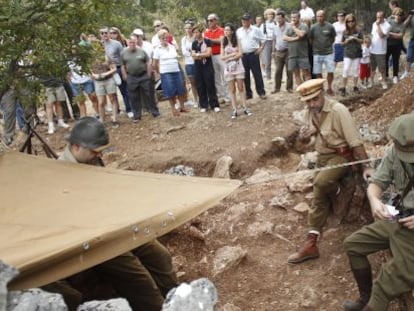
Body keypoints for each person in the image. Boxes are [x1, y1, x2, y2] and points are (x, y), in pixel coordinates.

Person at [49, 116, 178, 310]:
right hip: (93, 239)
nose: (99, 155)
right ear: (76, 147)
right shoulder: (59, 176)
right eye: (95, 151)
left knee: (160, 256)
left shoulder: (91, 161)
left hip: (115, 224)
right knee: (137, 277)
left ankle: (176, 300)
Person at [287, 78, 373, 264]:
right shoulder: (310, 111)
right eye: (308, 101)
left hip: (342, 157)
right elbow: (305, 144)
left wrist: (366, 165)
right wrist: (303, 138)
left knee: (320, 183)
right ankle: (312, 241)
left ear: (323, 93)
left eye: (315, 99)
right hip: (323, 157)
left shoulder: (338, 110)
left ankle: (312, 240)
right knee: (319, 192)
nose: (311, 104)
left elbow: (354, 141)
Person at [343, 113, 414, 311]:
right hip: (398, 217)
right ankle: (365, 299)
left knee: (385, 284)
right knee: (353, 245)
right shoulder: (396, 151)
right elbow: (377, 182)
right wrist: (374, 201)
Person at [121, 36, 160, 122]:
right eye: (130, 42)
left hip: (143, 75)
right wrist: (125, 75)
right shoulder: (124, 52)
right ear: (127, 43)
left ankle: (155, 112)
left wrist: (149, 73)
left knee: (149, 94)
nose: (132, 44)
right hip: (131, 76)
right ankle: (137, 116)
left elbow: (148, 61)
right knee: (133, 97)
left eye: (133, 42)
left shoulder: (141, 51)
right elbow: (122, 65)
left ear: (136, 42)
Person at [153, 29, 189, 116]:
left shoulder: (172, 47)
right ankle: (173, 109)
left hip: (176, 71)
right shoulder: (157, 49)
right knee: (170, 91)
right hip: (166, 73)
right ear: (160, 39)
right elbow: (155, 63)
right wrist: (159, 72)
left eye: (166, 37)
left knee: (180, 89)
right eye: (163, 38)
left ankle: (182, 107)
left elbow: (176, 59)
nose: (165, 39)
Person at [221, 23, 252, 119]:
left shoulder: (237, 40)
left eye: (228, 30)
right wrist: (232, 55)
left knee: (241, 87)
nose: (226, 32)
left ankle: (245, 107)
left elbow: (241, 53)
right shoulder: (223, 41)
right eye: (225, 30)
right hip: (228, 68)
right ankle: (234, 109)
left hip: (238, 67)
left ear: (232, 31)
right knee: (232, 89)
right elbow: (222, 56)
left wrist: (231, 57)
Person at [100, 27, 132, 116]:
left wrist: (124, 70)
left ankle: (129, 110)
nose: (104, 35)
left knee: (124, 90)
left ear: (109, 34)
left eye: (106, 32)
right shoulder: (99, 45)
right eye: (102, 33)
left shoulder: (116, 44)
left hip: (118, 68)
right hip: (106, 71)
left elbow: (123, 58)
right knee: (112, 93)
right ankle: (116, 110)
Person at [236, 13, 267, 100]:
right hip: (243, 56)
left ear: (250, 20)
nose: (244, 22)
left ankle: (261, 92)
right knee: (245, 75)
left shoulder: (255, 29)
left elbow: (264, 39)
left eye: (246, 20)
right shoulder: (239, 31)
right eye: (243, 20)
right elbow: (236, 43)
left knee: (257, 74)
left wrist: (261, 48)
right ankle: (248, 93)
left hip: (253, 54)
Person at [191, 24, 220, 113]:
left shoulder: (207, 41)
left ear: (201, 32)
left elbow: (208, 54)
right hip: (198, 67)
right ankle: (203, 105)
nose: (195, 34)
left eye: (197, 32)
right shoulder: (194, 43)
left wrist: (198, 54)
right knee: (200, 85)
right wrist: (199, 55)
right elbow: (193, 56)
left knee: (210, 85)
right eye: (194, 32)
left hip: (207, 66)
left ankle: (214, 104)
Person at [309, 10, 336, 95]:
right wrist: (316, 46)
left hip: (329, 52)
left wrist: (327, 45)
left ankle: (329, 87)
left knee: (330, 71)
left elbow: (333, 38)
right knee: (318, 72)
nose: (319, 18)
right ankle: (321, 88)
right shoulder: (313, 27)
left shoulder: (330, 26)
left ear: (325, 16)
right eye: (318, 16)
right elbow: (310, 39)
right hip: (317, 53)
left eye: (321, 16)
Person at [90, 47, 119, 127]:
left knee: (112, 99)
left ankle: (114, 119)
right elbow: (89, 70)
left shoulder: (107, 56)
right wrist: (94, 75)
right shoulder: (90, 58)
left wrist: (106, 74)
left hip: (109, 80)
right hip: (98, 82)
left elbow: (114, 69)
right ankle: (102, 120)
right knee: (101, 102)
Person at [204, 13, 229, 103]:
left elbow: (221, 41)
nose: (209, 22)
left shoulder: (221, 30)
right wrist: (214, 41)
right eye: (208, 20)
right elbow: (206, 43)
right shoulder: (206, 32)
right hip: (211, 56)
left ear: (215, 20)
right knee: (216, 78)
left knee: (225, 75)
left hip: (221, 55)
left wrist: (210, 41)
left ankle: (228, 96)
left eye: (211, 20)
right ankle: (221, 96)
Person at [283, 11, 311, 87]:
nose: (293, 19)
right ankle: (302, 91)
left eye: (295, 17)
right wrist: (295, 39)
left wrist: (294, 27)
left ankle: (310, 89)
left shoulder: (304, 26)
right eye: (292, 17)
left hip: (302, 54)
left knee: (306, 73)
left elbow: (301, 34)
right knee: (296, 74)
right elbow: (284, 37)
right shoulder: (288, 27)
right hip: (292, 55)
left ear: (299, 17)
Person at [339, 14, 363, 96]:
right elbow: (341, 43)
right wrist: (346, 41)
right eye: (349, 21)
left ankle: (355, 87)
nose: (351, 23)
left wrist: (356, 38)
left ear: (354, 21)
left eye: (352, 21)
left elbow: (362, 41)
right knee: (346, 69)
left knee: (356, 70)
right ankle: (343, 88)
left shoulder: (358, 30)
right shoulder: (344, 32)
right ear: (346, 22)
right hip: (347, 53)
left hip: (357, 53)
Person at [272, 10, 293, 93]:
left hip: (288, 51)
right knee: (278, 71)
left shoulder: (290, 26)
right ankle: (277, 88)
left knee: (289, 70)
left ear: (284, 18)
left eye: (280, 18)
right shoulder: (275, 28)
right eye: (277, 19)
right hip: (278, 51)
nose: (278, 20)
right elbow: (274, 40)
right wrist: (273, 51)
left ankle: (289, 87)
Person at [370, 11, 391, 89]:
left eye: (380, 17)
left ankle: (384, 81)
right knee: (372, 68)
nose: (378, 19)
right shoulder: (374, 24)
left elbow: (381, 35)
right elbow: (373, 35)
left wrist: (378, 25)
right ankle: (371, 82)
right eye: (377, 17)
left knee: (382, 68)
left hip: (381, 50)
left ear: (383, 17)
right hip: (373, 49)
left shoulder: (387, 25)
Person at [181, 20, 199, 106]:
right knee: (192, 83)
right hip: (189, 63)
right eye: (186, 28)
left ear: (192, 28)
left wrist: (192, 51)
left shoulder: (196, 37)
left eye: (189, 27)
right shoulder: (183, 39)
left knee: (199, 81)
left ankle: (203, 98)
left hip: (197, 62)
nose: (188, 29)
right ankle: (196, 100)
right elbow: (184, 52)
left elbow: (198, 49)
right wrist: (192, 52)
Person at [386, 8, 405, 84]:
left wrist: (390, 33)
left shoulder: (402, 25)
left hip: (397, 45)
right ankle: (386, 75)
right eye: (397, 14)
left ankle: (395, 76)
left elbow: (400, 36)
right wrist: (395, 34)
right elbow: (386, 32)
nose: (399, 16)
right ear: (394, 15)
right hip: (388, 44)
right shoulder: (389, 22)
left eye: (400, 15)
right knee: (385, 60)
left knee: (395, 61)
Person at [260, 8, 277, 80]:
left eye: (271, 14)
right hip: (266, 42)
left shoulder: (276, 23)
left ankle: (278, 77)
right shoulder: (263, 25)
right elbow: (261, 36)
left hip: (276, 42)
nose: (270, 16)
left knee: (277, 61)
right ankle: (268, 76)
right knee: (267, 61)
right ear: (266, 15)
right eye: (269, 14)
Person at [401, 9, 414, 79]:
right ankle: (406, 73)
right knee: (409, 56)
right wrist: (410, 15)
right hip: (412, 39)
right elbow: (404, 25)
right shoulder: (412, 16)